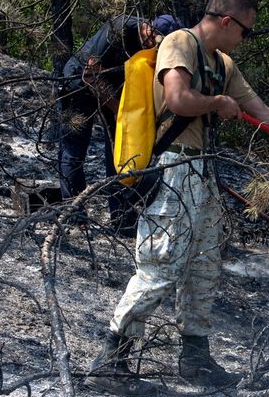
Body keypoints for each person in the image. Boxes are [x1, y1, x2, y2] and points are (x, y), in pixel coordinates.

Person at [89, 0, 269, 394]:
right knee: (160, 267)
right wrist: (217, 102)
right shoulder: (180, 42)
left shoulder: (223, 63)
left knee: (203, 267)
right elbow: (179, 99)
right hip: (170, 168)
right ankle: (111, 359)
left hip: (201, 171)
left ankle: (195, 358)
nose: (245, 38)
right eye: (245, 30)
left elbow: (259, 109)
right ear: (225, 20)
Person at [57, 14, 182, 234]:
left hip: (112, 91)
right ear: (151, 32)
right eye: (160, 44)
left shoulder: (152, 50)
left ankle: (122, 217)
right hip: (78, 84)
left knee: (119, 153)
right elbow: (90, 74)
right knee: (74, 154)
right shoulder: (119, 30)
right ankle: (74, 215)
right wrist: (118, 109)